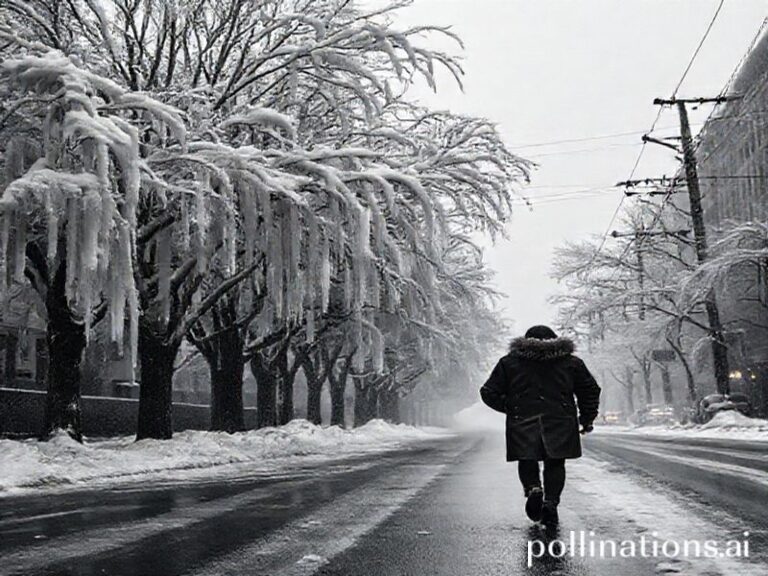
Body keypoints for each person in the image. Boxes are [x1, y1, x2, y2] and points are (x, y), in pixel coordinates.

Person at [480, 325, 601, 528]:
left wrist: (511, 407)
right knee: (555, 463)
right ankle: (551, 502)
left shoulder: (509, 363)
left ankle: (533, 488)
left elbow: (488, 392)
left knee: (527, 458)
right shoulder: (571, 363)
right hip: (560, 420)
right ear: (555, 340)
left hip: (523, 419)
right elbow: (590, 389)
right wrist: (587, 417)